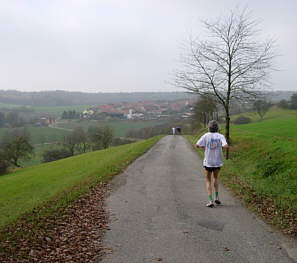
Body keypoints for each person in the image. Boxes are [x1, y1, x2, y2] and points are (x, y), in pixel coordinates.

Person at [195, 120, 229, 207]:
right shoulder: (221, 136)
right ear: (217, 127)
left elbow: (197, 145)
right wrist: (227, 155)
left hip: (208, 162)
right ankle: (217, 198)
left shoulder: (206, 135)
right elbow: (226, 146)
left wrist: (204, 148)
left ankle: (210, 201)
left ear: (209, 127)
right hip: (217, 162)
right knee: (216, 178)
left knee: (208, 180)